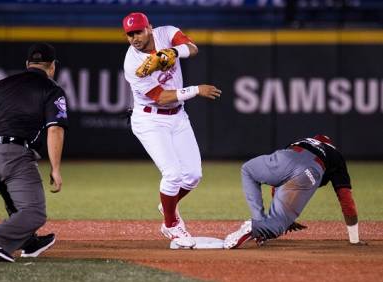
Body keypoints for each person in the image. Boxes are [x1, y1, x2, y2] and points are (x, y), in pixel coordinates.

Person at [122, 12, 221, 247]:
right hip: (150, 121)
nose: (134, 37)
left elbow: (192, 48)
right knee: (173, 174)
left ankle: (168, 203)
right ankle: (171, 225)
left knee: (193, 175)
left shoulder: (166, 33)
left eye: (138, 31)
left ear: (150, 28)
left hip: (178, 117)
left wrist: (173, 52)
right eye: (129, 34)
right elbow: (160, 97)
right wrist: (196, 90)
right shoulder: (132, 63)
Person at [0, 43, 68, 262]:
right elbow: (55, 129)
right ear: (52, 67)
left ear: (27, 64)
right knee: (34, 212)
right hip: (14, 155)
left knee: (16, 204)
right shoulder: (52, 89)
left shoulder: (1, 84)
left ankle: (28, 241)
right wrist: (55, 169)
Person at [224, 134, 366, 249]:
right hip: (310, 169)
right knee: (276, 227)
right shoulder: (336, 155)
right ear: (331, 145)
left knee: (248, 170)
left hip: (288, 155)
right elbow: (345, 198)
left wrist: (281, 211)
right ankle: (257, 227)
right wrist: (354, 240)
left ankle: (259, 220)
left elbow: (281, 182)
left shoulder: (302, 140)